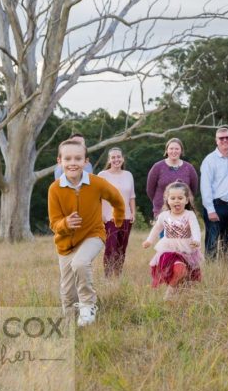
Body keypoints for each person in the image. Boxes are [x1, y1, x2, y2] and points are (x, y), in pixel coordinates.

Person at [47, 136, 126, 327]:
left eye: (77, 159)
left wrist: (119, 217)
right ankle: (71, 327)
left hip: (93, 235)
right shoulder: (55, 189)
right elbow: (54, 223)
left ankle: (88, 305)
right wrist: (65, 223)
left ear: (86, 161)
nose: (72, 163)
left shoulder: (96, 183)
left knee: (81, 263)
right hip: (66, 243)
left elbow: (116, 198)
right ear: (60, 161)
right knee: (67, 294)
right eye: (67, 159)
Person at [141, 182, 202, 300]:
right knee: (180, 270)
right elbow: (156, 228)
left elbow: (195, 228)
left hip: (186, 249)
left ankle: (178, 297)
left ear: (187, 200)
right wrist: (149, 241)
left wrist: (196, 240)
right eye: (173, 198)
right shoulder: (164, 215)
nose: (176, 201)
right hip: (169, 250)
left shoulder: (189, 215)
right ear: (167, 200)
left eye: (180, 198)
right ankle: (168, 296)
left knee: (187, 279)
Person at [199, 126, 228, 261]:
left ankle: (225, 274)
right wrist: (210, 209)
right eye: (221, 138)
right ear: (216, 141)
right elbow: (205, 186)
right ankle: (211, 273)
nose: (225, 140)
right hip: (215, 205)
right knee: (212, 242)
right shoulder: (209, 160)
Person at [97, 147, 136, 277]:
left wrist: (133, 213)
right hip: (109, 217)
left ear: (122, 158)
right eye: (113, 157)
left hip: (126, 216)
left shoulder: (128, 175)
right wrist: (100, 214)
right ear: (109, 160)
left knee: (121, 248)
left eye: (118, 157)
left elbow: (131, 196)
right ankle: (107, 276)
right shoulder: (102, 175)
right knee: (110, 247)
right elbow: (96, 197)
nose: (116, 159)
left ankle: (118, 275)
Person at [146, 138, 200, 219]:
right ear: (166, 150)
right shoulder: (157, 167)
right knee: (161, 232)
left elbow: (193, 190)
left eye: (177, 149)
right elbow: (150, 190)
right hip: (161, 211)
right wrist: (160, 202)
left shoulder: (189, 168)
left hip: (183, 212)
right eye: (171, 148)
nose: (174, 151)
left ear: (181, 151)